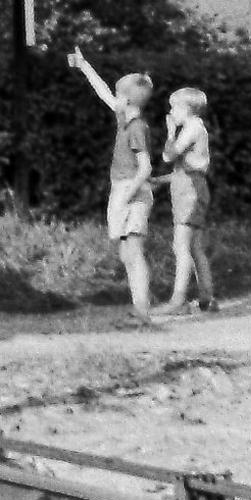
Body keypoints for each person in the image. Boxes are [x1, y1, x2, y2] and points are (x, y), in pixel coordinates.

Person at [66, 46, 157, 320]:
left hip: (132, 191)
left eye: (119, 95)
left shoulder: (137, 128)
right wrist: (84, 66)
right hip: (124, 190)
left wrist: (129, 192)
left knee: (134, 250)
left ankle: (142, 310)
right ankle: (140, 305)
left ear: (127, 100)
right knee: (126, 253)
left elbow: (146, 167)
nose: (114, 98)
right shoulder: (124, 120)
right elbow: (103, 92)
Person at [157, 86, 218, 314]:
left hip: (189, 193)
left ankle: (178, 300)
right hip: (193, 188)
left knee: (180, 246)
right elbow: (189, 169)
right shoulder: (198, 128)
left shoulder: (191, 128)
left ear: (186, 108)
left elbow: (168, 155)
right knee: (195, 247)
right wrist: (161, 180)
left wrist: (170, 132)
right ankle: (206, 298)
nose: (172, 112)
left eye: (174, 107)